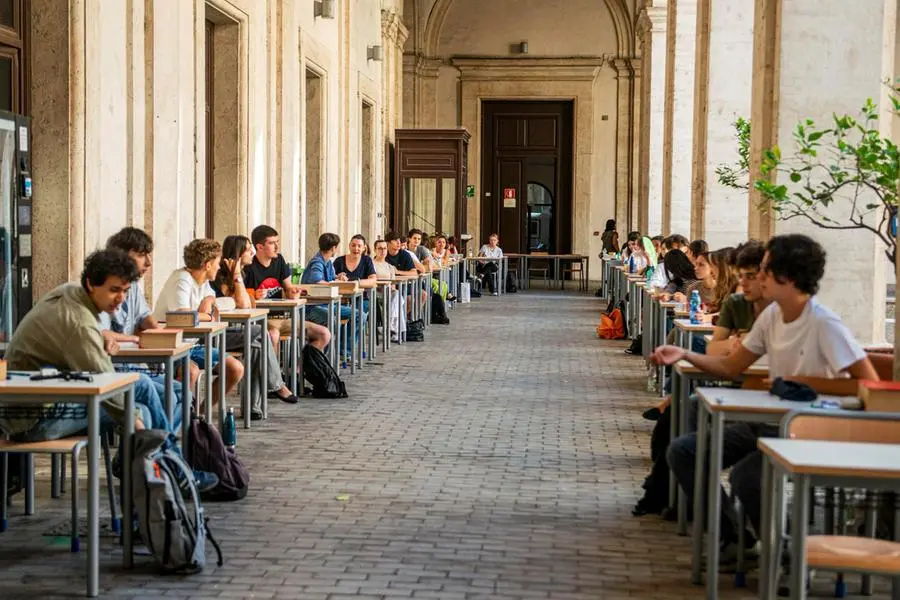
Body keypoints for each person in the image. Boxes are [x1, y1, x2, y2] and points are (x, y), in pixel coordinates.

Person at [654, 234, 878, 568]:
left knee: (747, 476)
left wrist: (804, 383)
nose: (757, 277)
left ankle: (787, 550)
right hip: (766, 425)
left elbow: (869, 383)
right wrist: (684, 353)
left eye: (765, 270)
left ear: (786, 277)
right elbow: (732, 366)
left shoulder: (823, 323)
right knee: (684, 451)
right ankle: (735, 536)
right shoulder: (772, 317)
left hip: (806, 430)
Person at [0, 249, 218, 490]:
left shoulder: (70, 294)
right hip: (32, 421)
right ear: (91, 284)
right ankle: (171, 472)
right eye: (114, 290)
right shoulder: (79, 323)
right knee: (141, 401)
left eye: (125, 290)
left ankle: (164, 472)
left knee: (144, 407)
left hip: (45, 401)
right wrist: (136, 425)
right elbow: (107, 382)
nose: (121, 298)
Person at [155, 239, 297, 420]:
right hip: (176, 345)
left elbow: (218, 306)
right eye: (216, 262)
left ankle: (200, 412)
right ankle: (274, 387)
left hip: (196, 341)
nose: (218, 266)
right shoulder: (182, 280)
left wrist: (207, 308)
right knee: (257, 336)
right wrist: (205, 313)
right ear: (207, 265)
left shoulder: (203, 281)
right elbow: (183, 318)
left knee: (240, 361)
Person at [237, 226, 331, 352]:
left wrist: (292, 292)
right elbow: (243, 298)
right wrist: (254, 295)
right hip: (262, 320)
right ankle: (274, 372)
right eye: (272, 243)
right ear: (259, 247)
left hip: (285, 318)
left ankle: (298, 369)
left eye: (277, 242)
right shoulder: (249, 266)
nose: (277, 247)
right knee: (273, 335)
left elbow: (289, 287)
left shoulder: (279, 260)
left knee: (324, 334)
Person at [706, 240, 771, 356]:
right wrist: (735, 342)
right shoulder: (735, 302)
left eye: (751, 276)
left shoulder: (783, 307)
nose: (743, 283)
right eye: (740, 276)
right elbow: (712, 349)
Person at [300, 233, 356, 356]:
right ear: (333, 248)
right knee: (333, 320)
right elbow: (317, 280)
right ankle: (320, 355)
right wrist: (334, 283)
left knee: (358, 315)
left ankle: (343, 350)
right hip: (313, 307)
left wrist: (338, 277)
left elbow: (330, 277)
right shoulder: (318, 262)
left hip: (327, 304)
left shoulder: (328, 262)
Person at [372, 238, 406, 340]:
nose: (382, 251)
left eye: (385, 248)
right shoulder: (371, 264)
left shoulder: (390, 267)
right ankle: (395, 331)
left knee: (397, 295)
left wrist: (391, 289)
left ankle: (390, 326)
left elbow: (393, 285)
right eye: (380, 248)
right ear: (375, 250)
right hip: (375, 292)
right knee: (398, 299)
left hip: (388, 293)